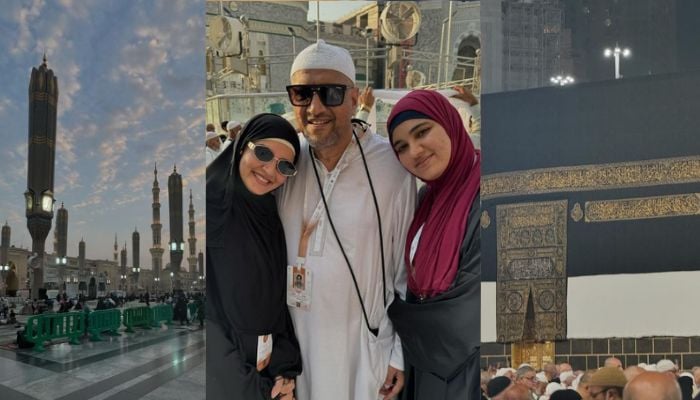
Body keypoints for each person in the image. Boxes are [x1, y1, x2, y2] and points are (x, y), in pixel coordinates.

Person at [277, 39, 416, 400]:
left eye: (331, 93)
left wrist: (399, 354)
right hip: (294, 357)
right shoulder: (284, 165)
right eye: (302, 94)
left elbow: (406, 273)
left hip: (365, 354)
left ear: (354, 99)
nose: (316, 106)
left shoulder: (392, 170)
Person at [385, 89, 481, 400]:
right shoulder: (427, 199)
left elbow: (473, 306)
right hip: (426, 369)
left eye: (422, 132)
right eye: (401, 147)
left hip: (467, 372)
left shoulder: (489, 195)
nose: (414, 151)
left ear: (450, 123)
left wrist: (394, 313)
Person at [207, 113, 302, 400]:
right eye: (263, 153)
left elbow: (276, 301)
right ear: (242, 146)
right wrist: (254, 389)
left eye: (284, 166)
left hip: (268, 377)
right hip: (232, 383)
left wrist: (284, 370)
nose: (270, 170)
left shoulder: (268, 216)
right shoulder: (212, 212)